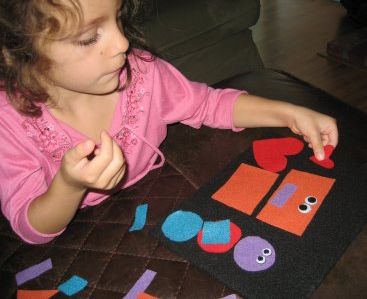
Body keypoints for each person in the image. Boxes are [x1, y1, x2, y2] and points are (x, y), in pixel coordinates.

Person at [0, 0, 338, 244]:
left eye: (118, 19)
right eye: (89, 38)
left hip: (164, 211)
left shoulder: (142, 72)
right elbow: (31, 226)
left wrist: (291, 112)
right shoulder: (9, 120)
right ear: (18, 52)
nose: (122, 43)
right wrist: (69, 186)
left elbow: (209, 104)